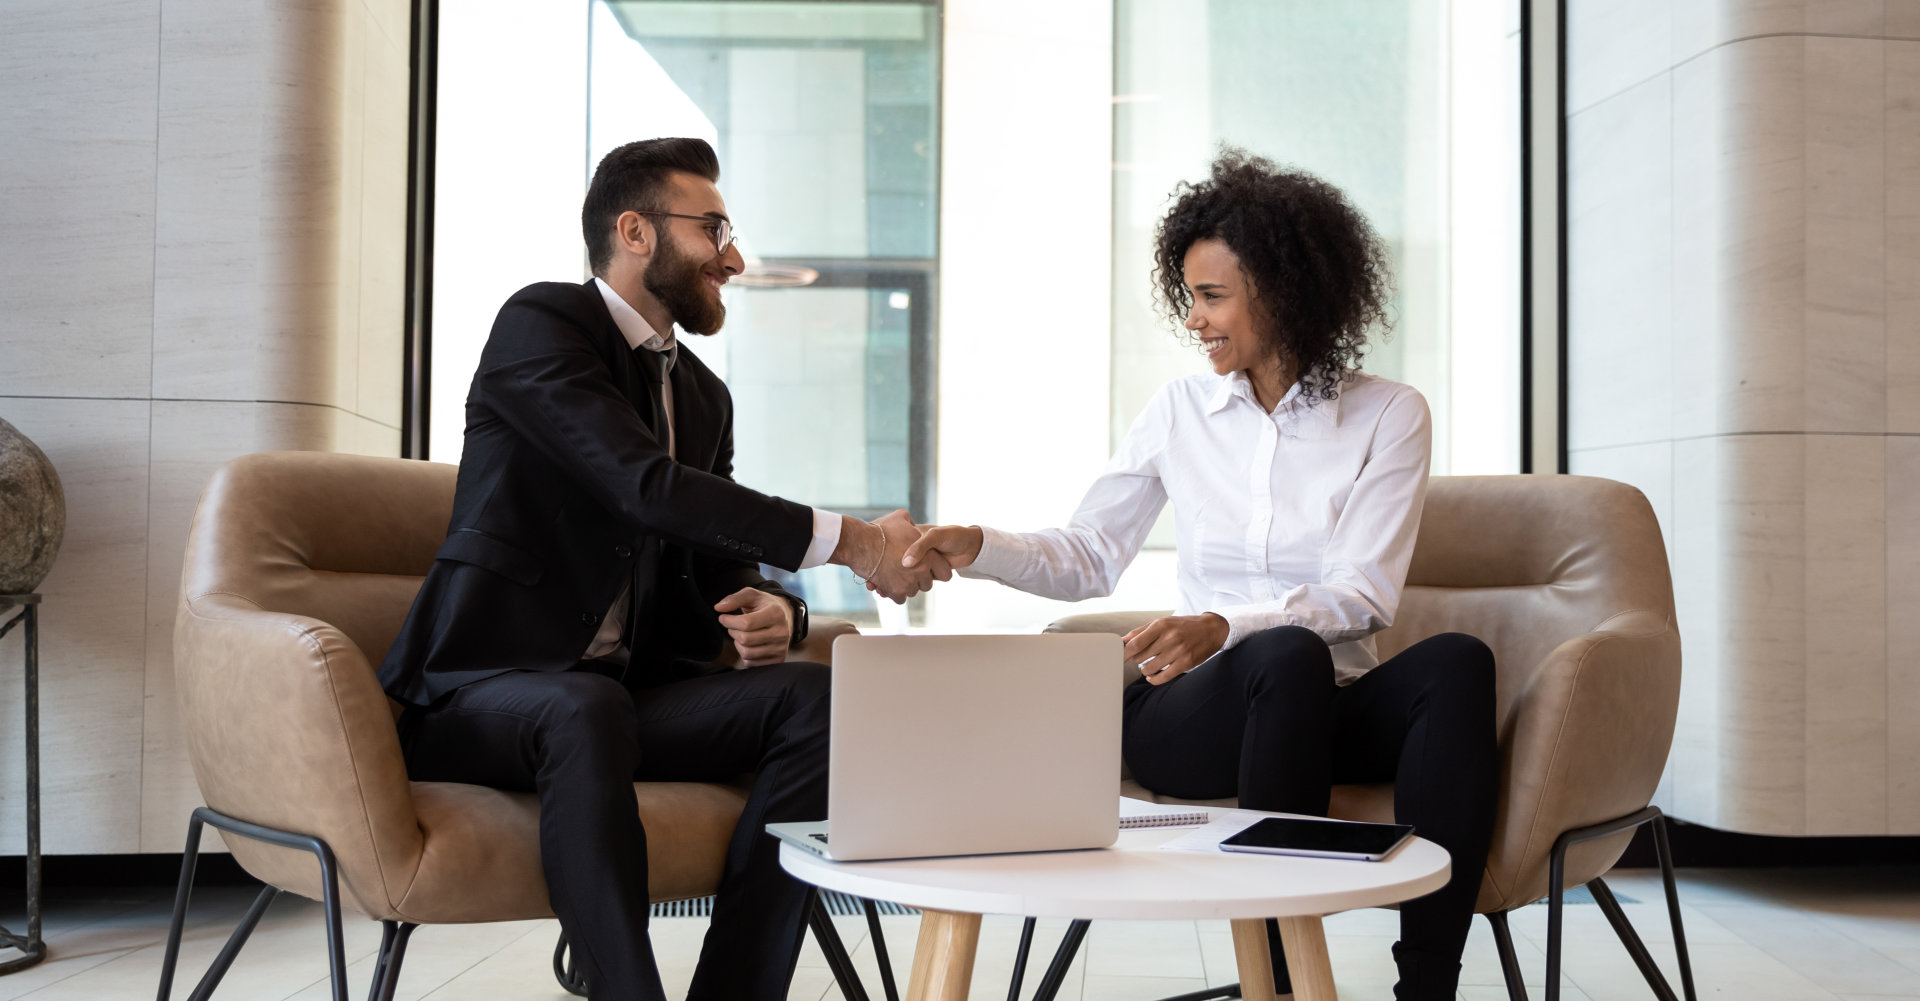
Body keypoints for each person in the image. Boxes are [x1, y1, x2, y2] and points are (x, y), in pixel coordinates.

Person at [903, 149, 1497, 1001]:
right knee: (1282, 654)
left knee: (1456, 662)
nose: (1194, 318)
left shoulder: (1389, 414)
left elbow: (1364, 592)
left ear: (1284, 292)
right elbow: (1089, 555)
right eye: (1189, 296)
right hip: (1194, 710)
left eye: (1212, 296)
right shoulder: (1178, 412)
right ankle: (1281, 983)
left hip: (1323, 701)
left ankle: (1428, 986)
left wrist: (1228, 621)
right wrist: (979, 544)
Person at [377, 137, 945, 1001]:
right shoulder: (541, 325)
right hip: (477, 692)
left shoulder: (703, 397)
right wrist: (857, 542)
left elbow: (725, 561)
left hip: (624, 698)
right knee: (583, 703)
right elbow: (643, 487)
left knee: (817, 699)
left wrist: (781, 611)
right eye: (712, 227)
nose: (735, 256)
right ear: (635, 230)